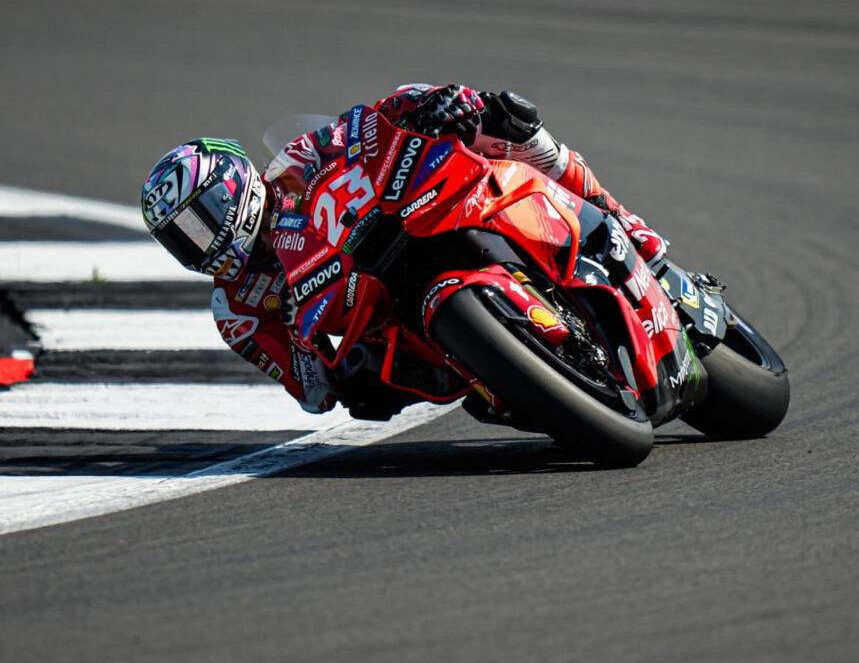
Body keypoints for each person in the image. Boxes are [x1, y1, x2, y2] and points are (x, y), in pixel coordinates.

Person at [141, 84, 667, 417]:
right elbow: (310, 394)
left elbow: (361, 127)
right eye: (180, 238)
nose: (198, 240)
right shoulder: (236, 309)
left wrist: (426, 107)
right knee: (370, 392)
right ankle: (513, 371)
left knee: (502, 119)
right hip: (388, 322)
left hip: (408, 221)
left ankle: (621, 220)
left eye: (199, 218)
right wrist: (324, 362)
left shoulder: (294, 163)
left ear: (232, 183)